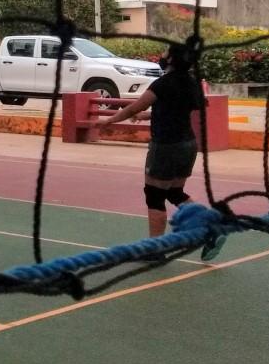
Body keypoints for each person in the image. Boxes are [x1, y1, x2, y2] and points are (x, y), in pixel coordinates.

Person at [91, 42, 225, 260]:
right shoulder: (191, 83)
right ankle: (212, 226)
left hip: (166, 146)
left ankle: (155, 250)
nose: (162, 55)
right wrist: (151, 116)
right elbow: (176, 109)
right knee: (174, 192)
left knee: (154, 196)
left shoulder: (162, 83)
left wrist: (110, 121)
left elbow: (135, 107)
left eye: (166, 52)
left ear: (172, 58)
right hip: (187, 145)